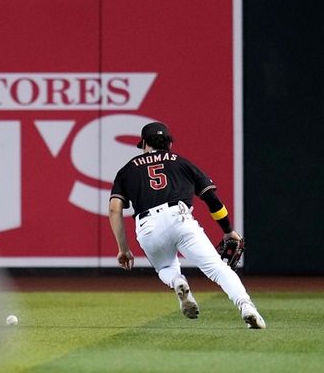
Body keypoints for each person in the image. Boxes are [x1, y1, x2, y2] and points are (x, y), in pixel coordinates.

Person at [108, 121, 266, 329]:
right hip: (180, 218)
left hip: (147, 225)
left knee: (165, 267)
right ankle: (246, 307)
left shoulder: (127, 170)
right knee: (219, 269)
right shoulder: (181, 162)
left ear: (144, 143)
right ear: (169, 144)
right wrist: (228, 231)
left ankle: (177, 281)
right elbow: (213, 201)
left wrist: (123, 248)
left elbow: (114, 209)